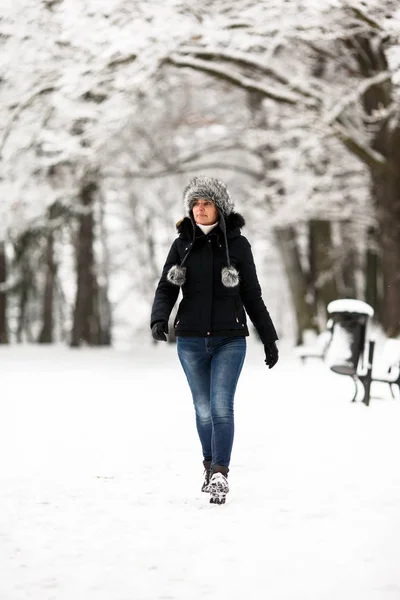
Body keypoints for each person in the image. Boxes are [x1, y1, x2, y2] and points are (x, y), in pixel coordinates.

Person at [150, 176, 278, 504]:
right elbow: (167, 287)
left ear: (219, 207)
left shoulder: (238, 245)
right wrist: (159, 318)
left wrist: (268, 338)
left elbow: (251, 293)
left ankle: (221, 471)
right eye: (195, 204)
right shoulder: (183, 244)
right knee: (203, 407)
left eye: (206, 203)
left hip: (229, 338)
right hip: (190, 339)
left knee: (221, 406)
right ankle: (208, 466)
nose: (200, 209)